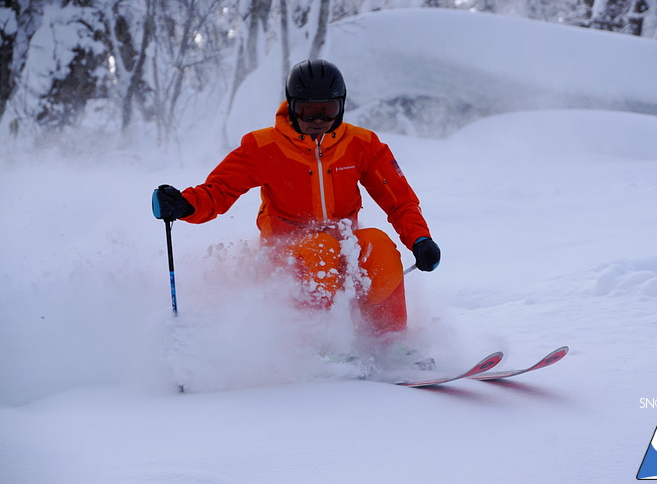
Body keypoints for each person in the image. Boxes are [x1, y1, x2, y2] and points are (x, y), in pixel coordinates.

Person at [152, 59, 441, 347]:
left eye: (327, 110)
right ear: (291, 106)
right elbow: (218, 191)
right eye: (308, 110)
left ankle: (389, 345)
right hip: (286, 256)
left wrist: (420, 239)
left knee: (377, 245)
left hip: (344, 246)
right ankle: (318, 347)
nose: (318, 120)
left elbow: (400, 200)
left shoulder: (361, 144)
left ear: (341, 106)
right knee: (319, 248)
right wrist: (185, 204)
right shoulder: (263, 147)